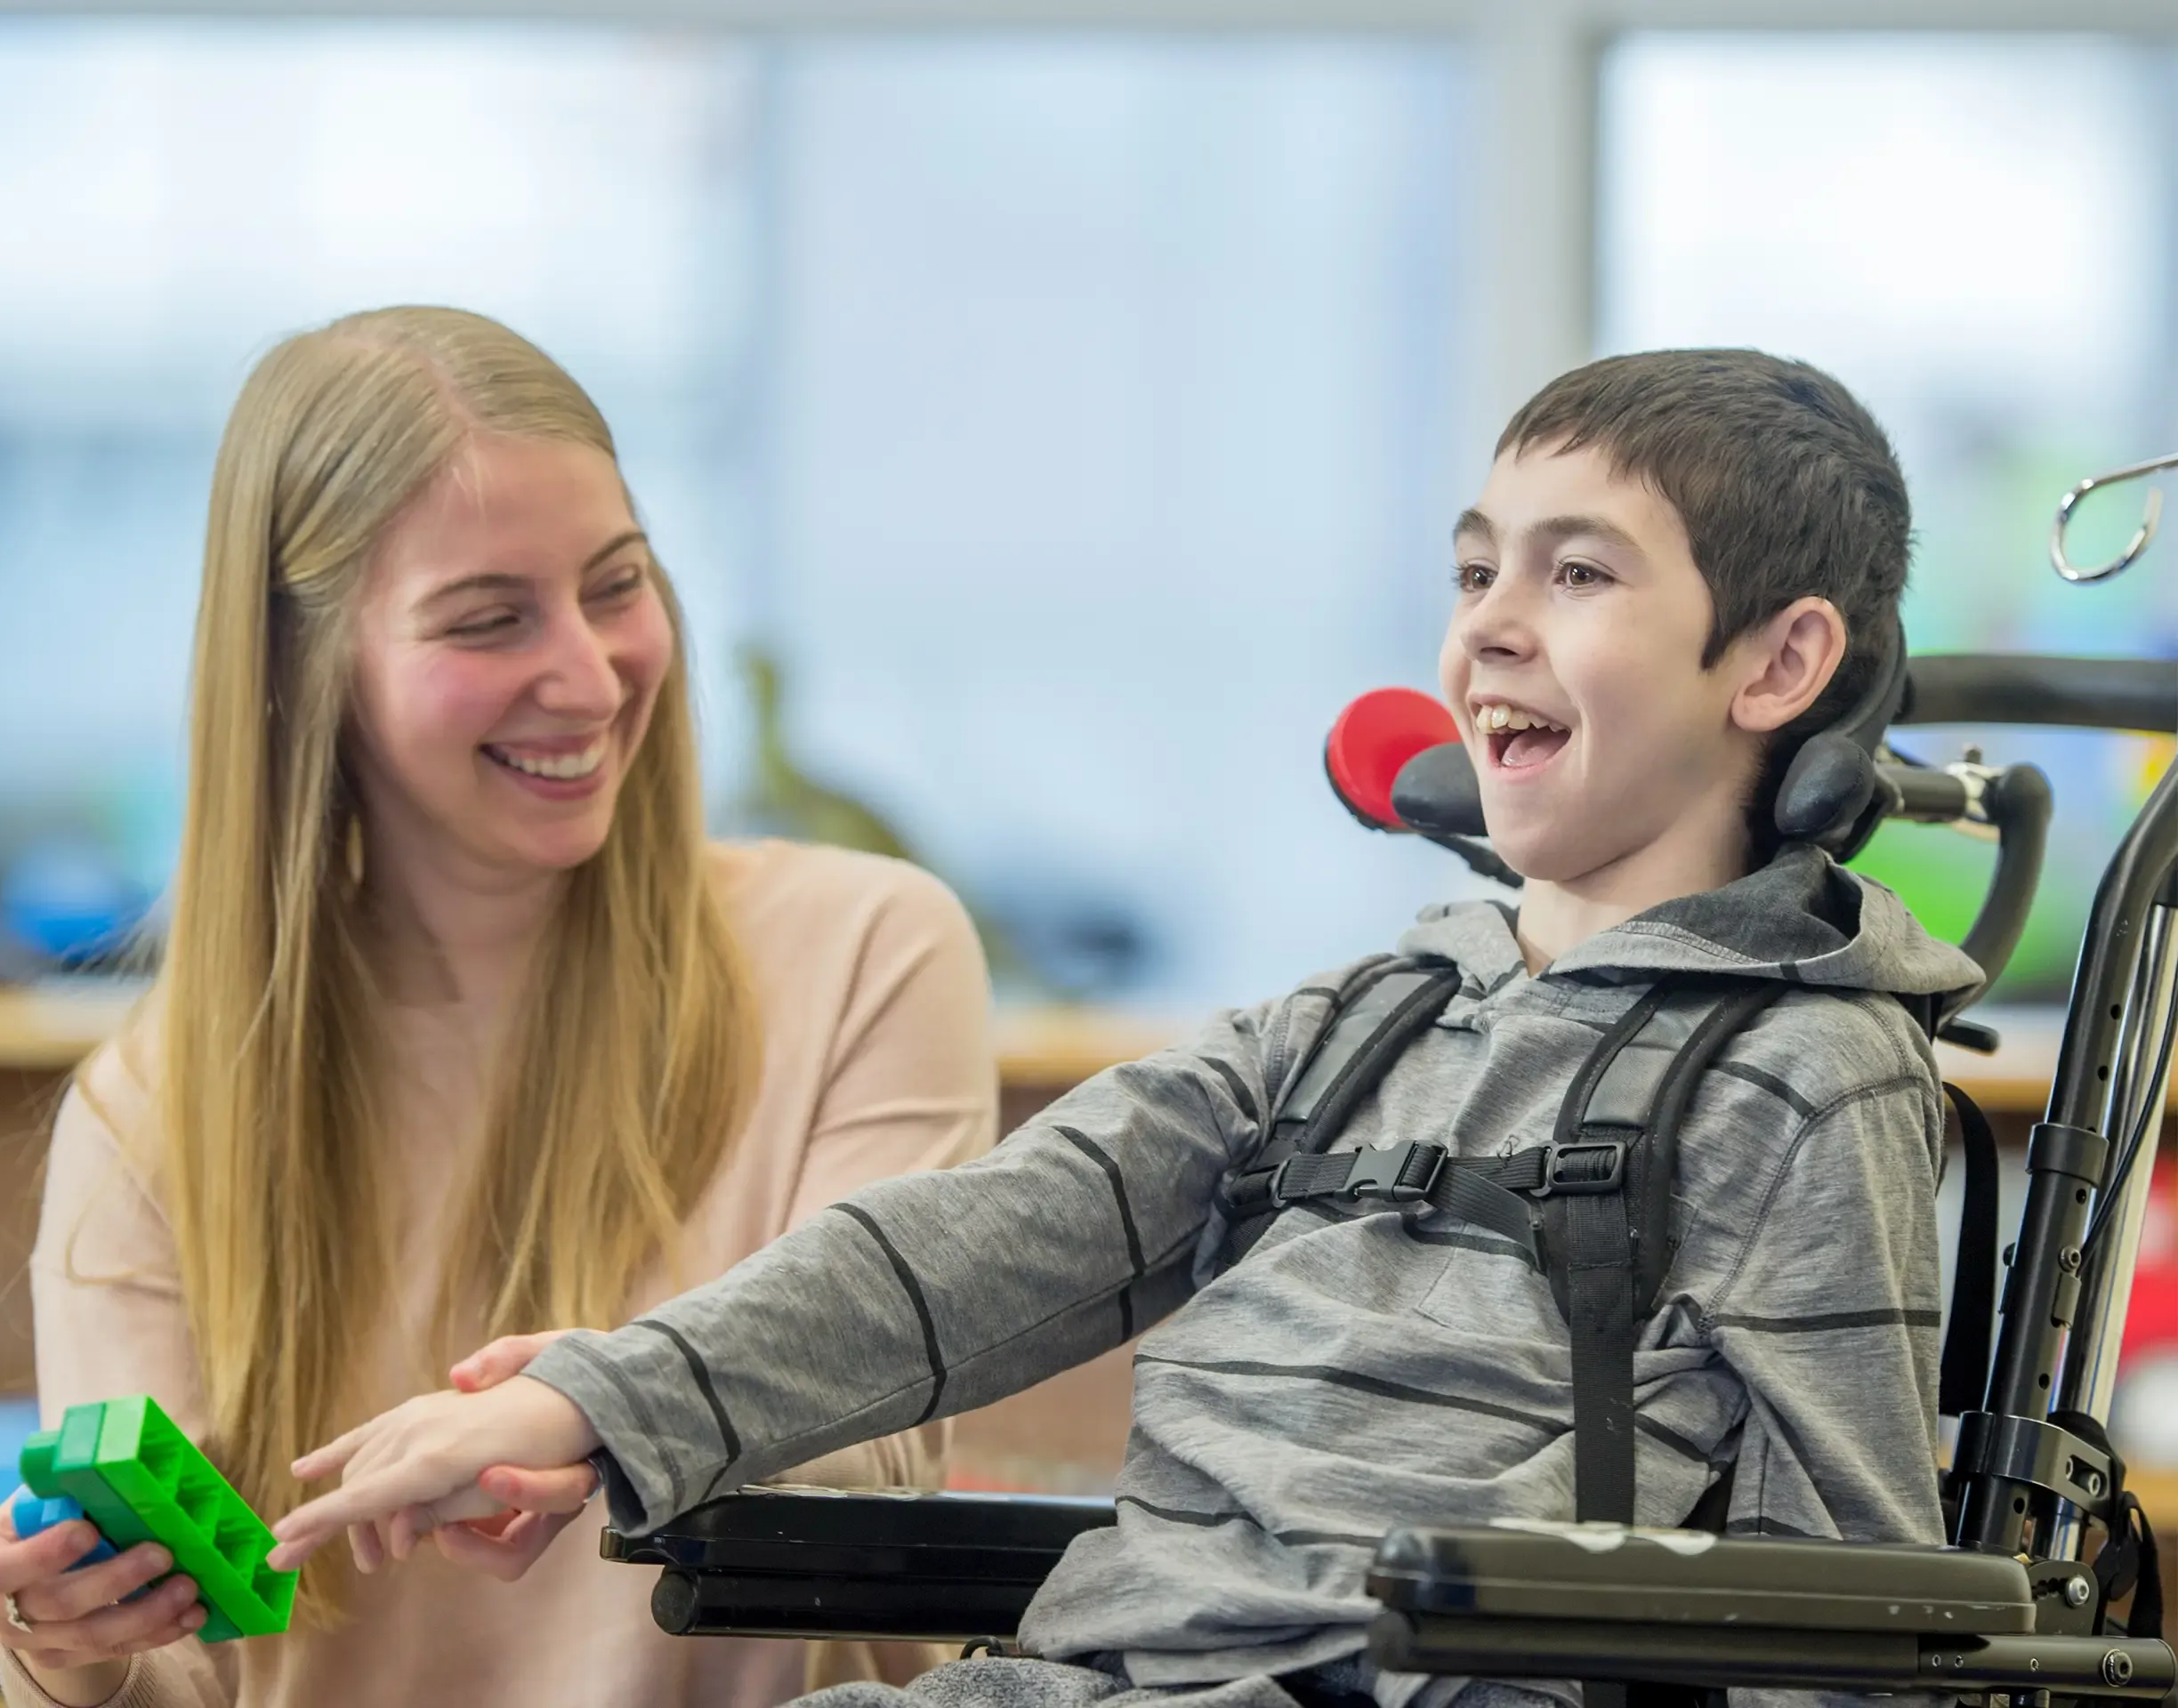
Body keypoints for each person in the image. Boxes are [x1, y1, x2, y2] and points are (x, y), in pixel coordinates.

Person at [266, 350, 1985, 1708]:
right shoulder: (1358, 1024)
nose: (1489, 624)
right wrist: (588, 1403)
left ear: (1774, 667)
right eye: (1474, 568)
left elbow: (1855, 1610)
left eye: (1581, 571)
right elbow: (975, 1249)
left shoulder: (1805, 1075)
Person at [0, 306, 997, 1708]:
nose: (587, 674)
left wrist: (607, 1410)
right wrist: (67, 1642)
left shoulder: (870, 951)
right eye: (489, 619)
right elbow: (175, 1677)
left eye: (616, 585)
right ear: (307, 670)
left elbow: (878, 1453)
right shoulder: (150, 1115)